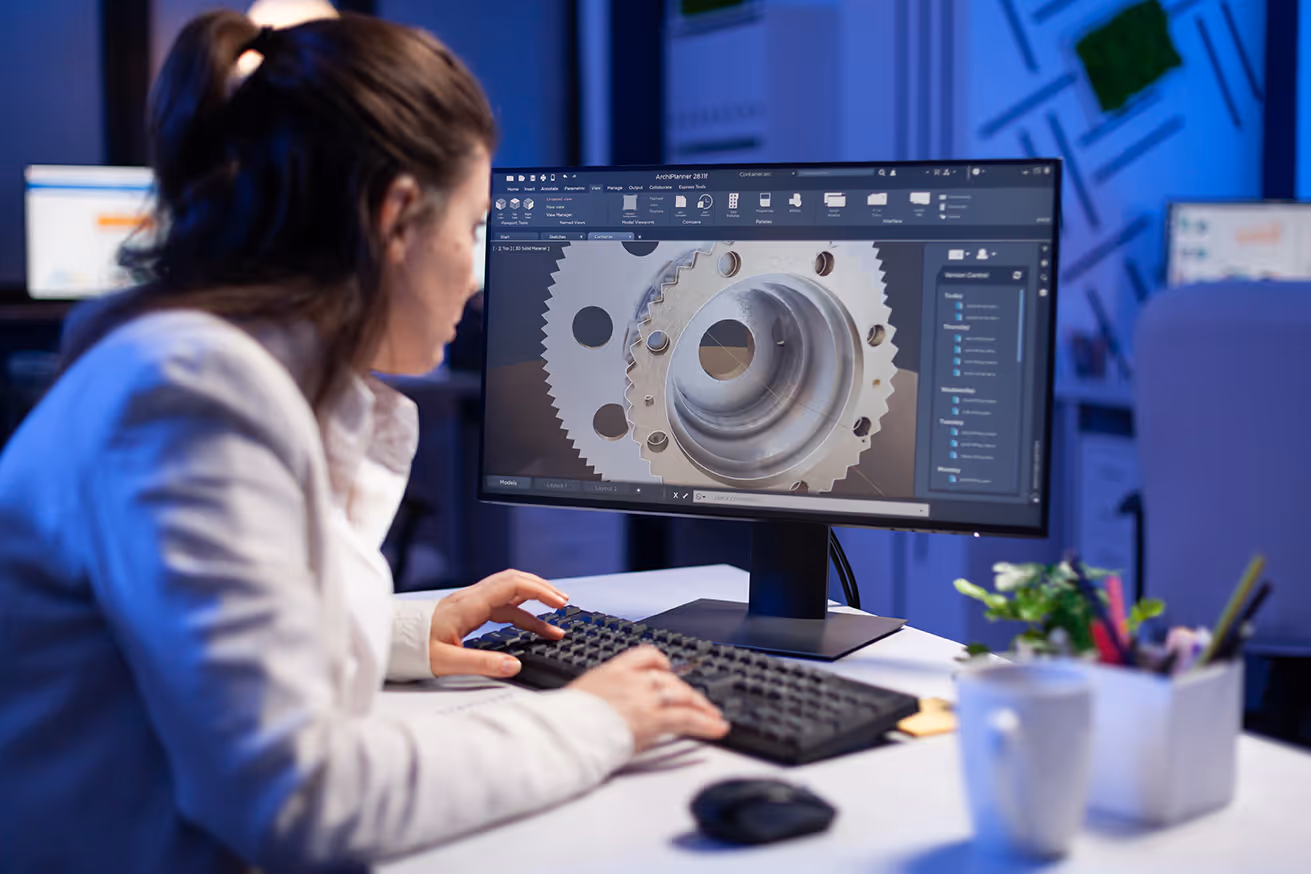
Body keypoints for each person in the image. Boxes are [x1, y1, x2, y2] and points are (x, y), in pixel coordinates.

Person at [0, 11, 727, 872]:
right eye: (472, 230)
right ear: (394, 217)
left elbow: (196, 643)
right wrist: (595, 720)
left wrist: (413, 629)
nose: (475, 271)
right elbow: (295, 796)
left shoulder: (199, 367)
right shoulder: (188, 397)